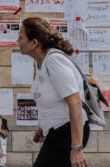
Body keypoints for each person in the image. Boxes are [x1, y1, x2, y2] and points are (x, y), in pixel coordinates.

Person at [17, 17, 89, 167]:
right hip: (58, 131)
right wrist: (44, 126)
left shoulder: (54, 61)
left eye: (21, 37)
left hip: (67, 133)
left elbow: (75, 103)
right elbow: (53, 99)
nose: (18, 41)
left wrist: (76, 148)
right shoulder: (42, 63)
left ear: (34, 42)